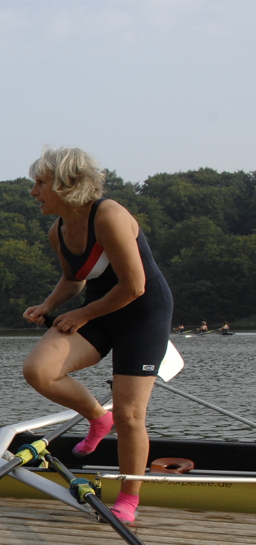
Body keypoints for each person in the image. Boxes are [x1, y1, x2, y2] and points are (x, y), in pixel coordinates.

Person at [21, 147, 173, 523]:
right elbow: (75, 279)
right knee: (38, 371)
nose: (33, 192)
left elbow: (134, 286)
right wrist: (48, 305)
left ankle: (128, 498)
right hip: (99, 311)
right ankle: (95, 417)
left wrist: (81, 314)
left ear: (66, 184)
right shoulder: (57, 231)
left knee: (130, 414)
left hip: (142, 315)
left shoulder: (109, 215)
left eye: (39, 183)